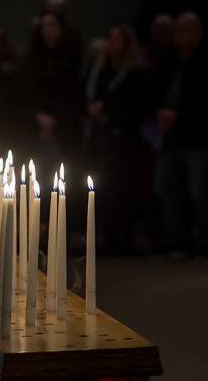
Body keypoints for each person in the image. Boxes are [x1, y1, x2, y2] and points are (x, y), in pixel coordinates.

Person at [154, 12, 208, 256]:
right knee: (165, 186)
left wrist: (178, 115)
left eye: (186, 30)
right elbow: (159, 91)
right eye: (178, 31)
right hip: (170, 137)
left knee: (199, 190)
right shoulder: (170, 61)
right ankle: (175, 237)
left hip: (197, 137)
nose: (180, 35)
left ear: (197, 33)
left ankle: (206, 240)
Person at [82, 24, 150, 254]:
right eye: (110, 39)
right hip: (101, 135)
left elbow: (137, 104)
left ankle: (123, 238)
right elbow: (89, 93)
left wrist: (109, 111)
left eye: (118, 40)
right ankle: (106, 236)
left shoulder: (136, 72)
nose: (113, 44)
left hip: (124, 137)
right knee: (103, 187)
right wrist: (94, 109)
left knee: (122, 187)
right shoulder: (101, 69)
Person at [20, 11, 83, 159]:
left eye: (51, 25)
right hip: (35, 122)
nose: (47, 29)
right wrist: (39, 115)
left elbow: (71, 91)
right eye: (44, 26)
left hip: (63, 122)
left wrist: (55, 118)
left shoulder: (70, 58)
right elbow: (26, 90)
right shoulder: (33, 59)